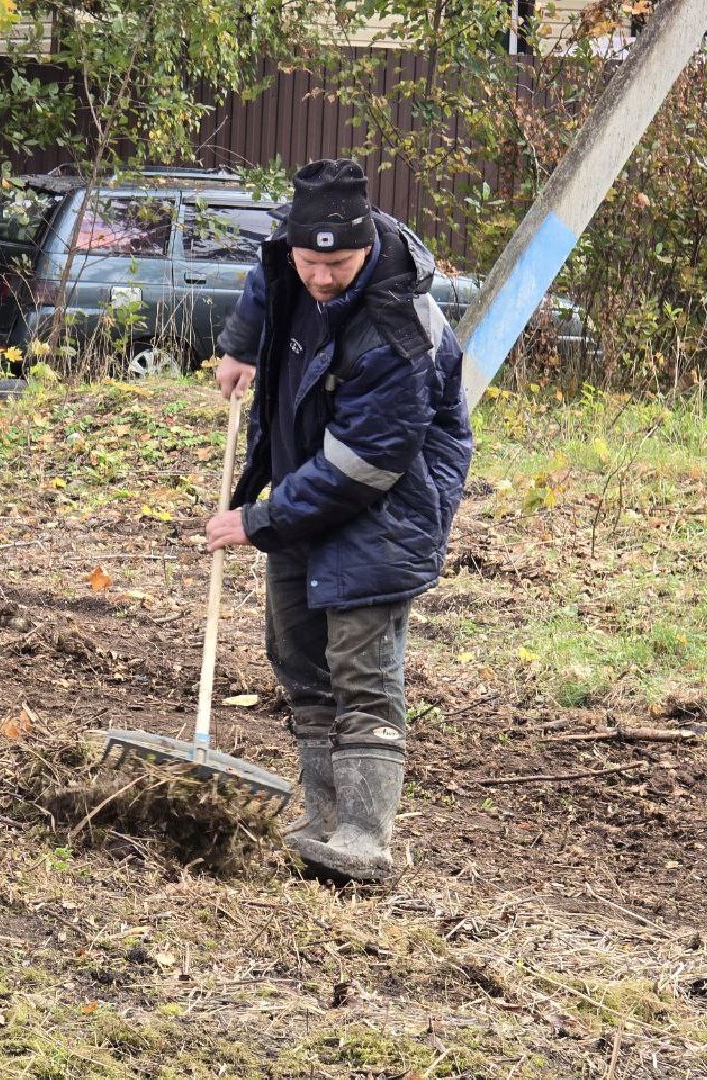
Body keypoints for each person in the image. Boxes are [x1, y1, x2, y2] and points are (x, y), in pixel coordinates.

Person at [205, 158, 473, 882]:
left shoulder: (398, 331)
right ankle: (321, 823)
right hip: (305, 479)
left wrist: (258, 521)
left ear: (367, 248)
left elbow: (363, 468)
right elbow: (269, 284)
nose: (322, 278)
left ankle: (362, 836)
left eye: (341, 265)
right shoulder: (291, 266)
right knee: (296, 653)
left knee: (359, 663)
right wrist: (239, 344)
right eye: (309, 262)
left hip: (384, 506)